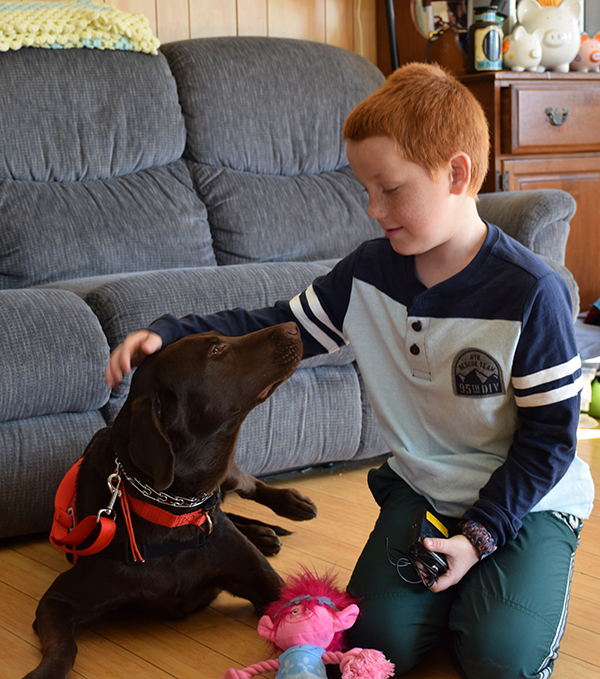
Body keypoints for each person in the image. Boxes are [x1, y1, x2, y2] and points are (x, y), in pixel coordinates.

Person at [106, 63, 594, 679]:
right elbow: (276, 329)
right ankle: (460, 596)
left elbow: (550, 441)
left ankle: (505, 581)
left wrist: (477, 540)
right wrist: (170, 333)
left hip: (526, 505)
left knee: (500, 661)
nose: (372, 208)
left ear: (457, 173)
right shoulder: (369, 272)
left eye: (389, 189)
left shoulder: (532, 293)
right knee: (375, 640)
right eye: (365, 188)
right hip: (425, 492)